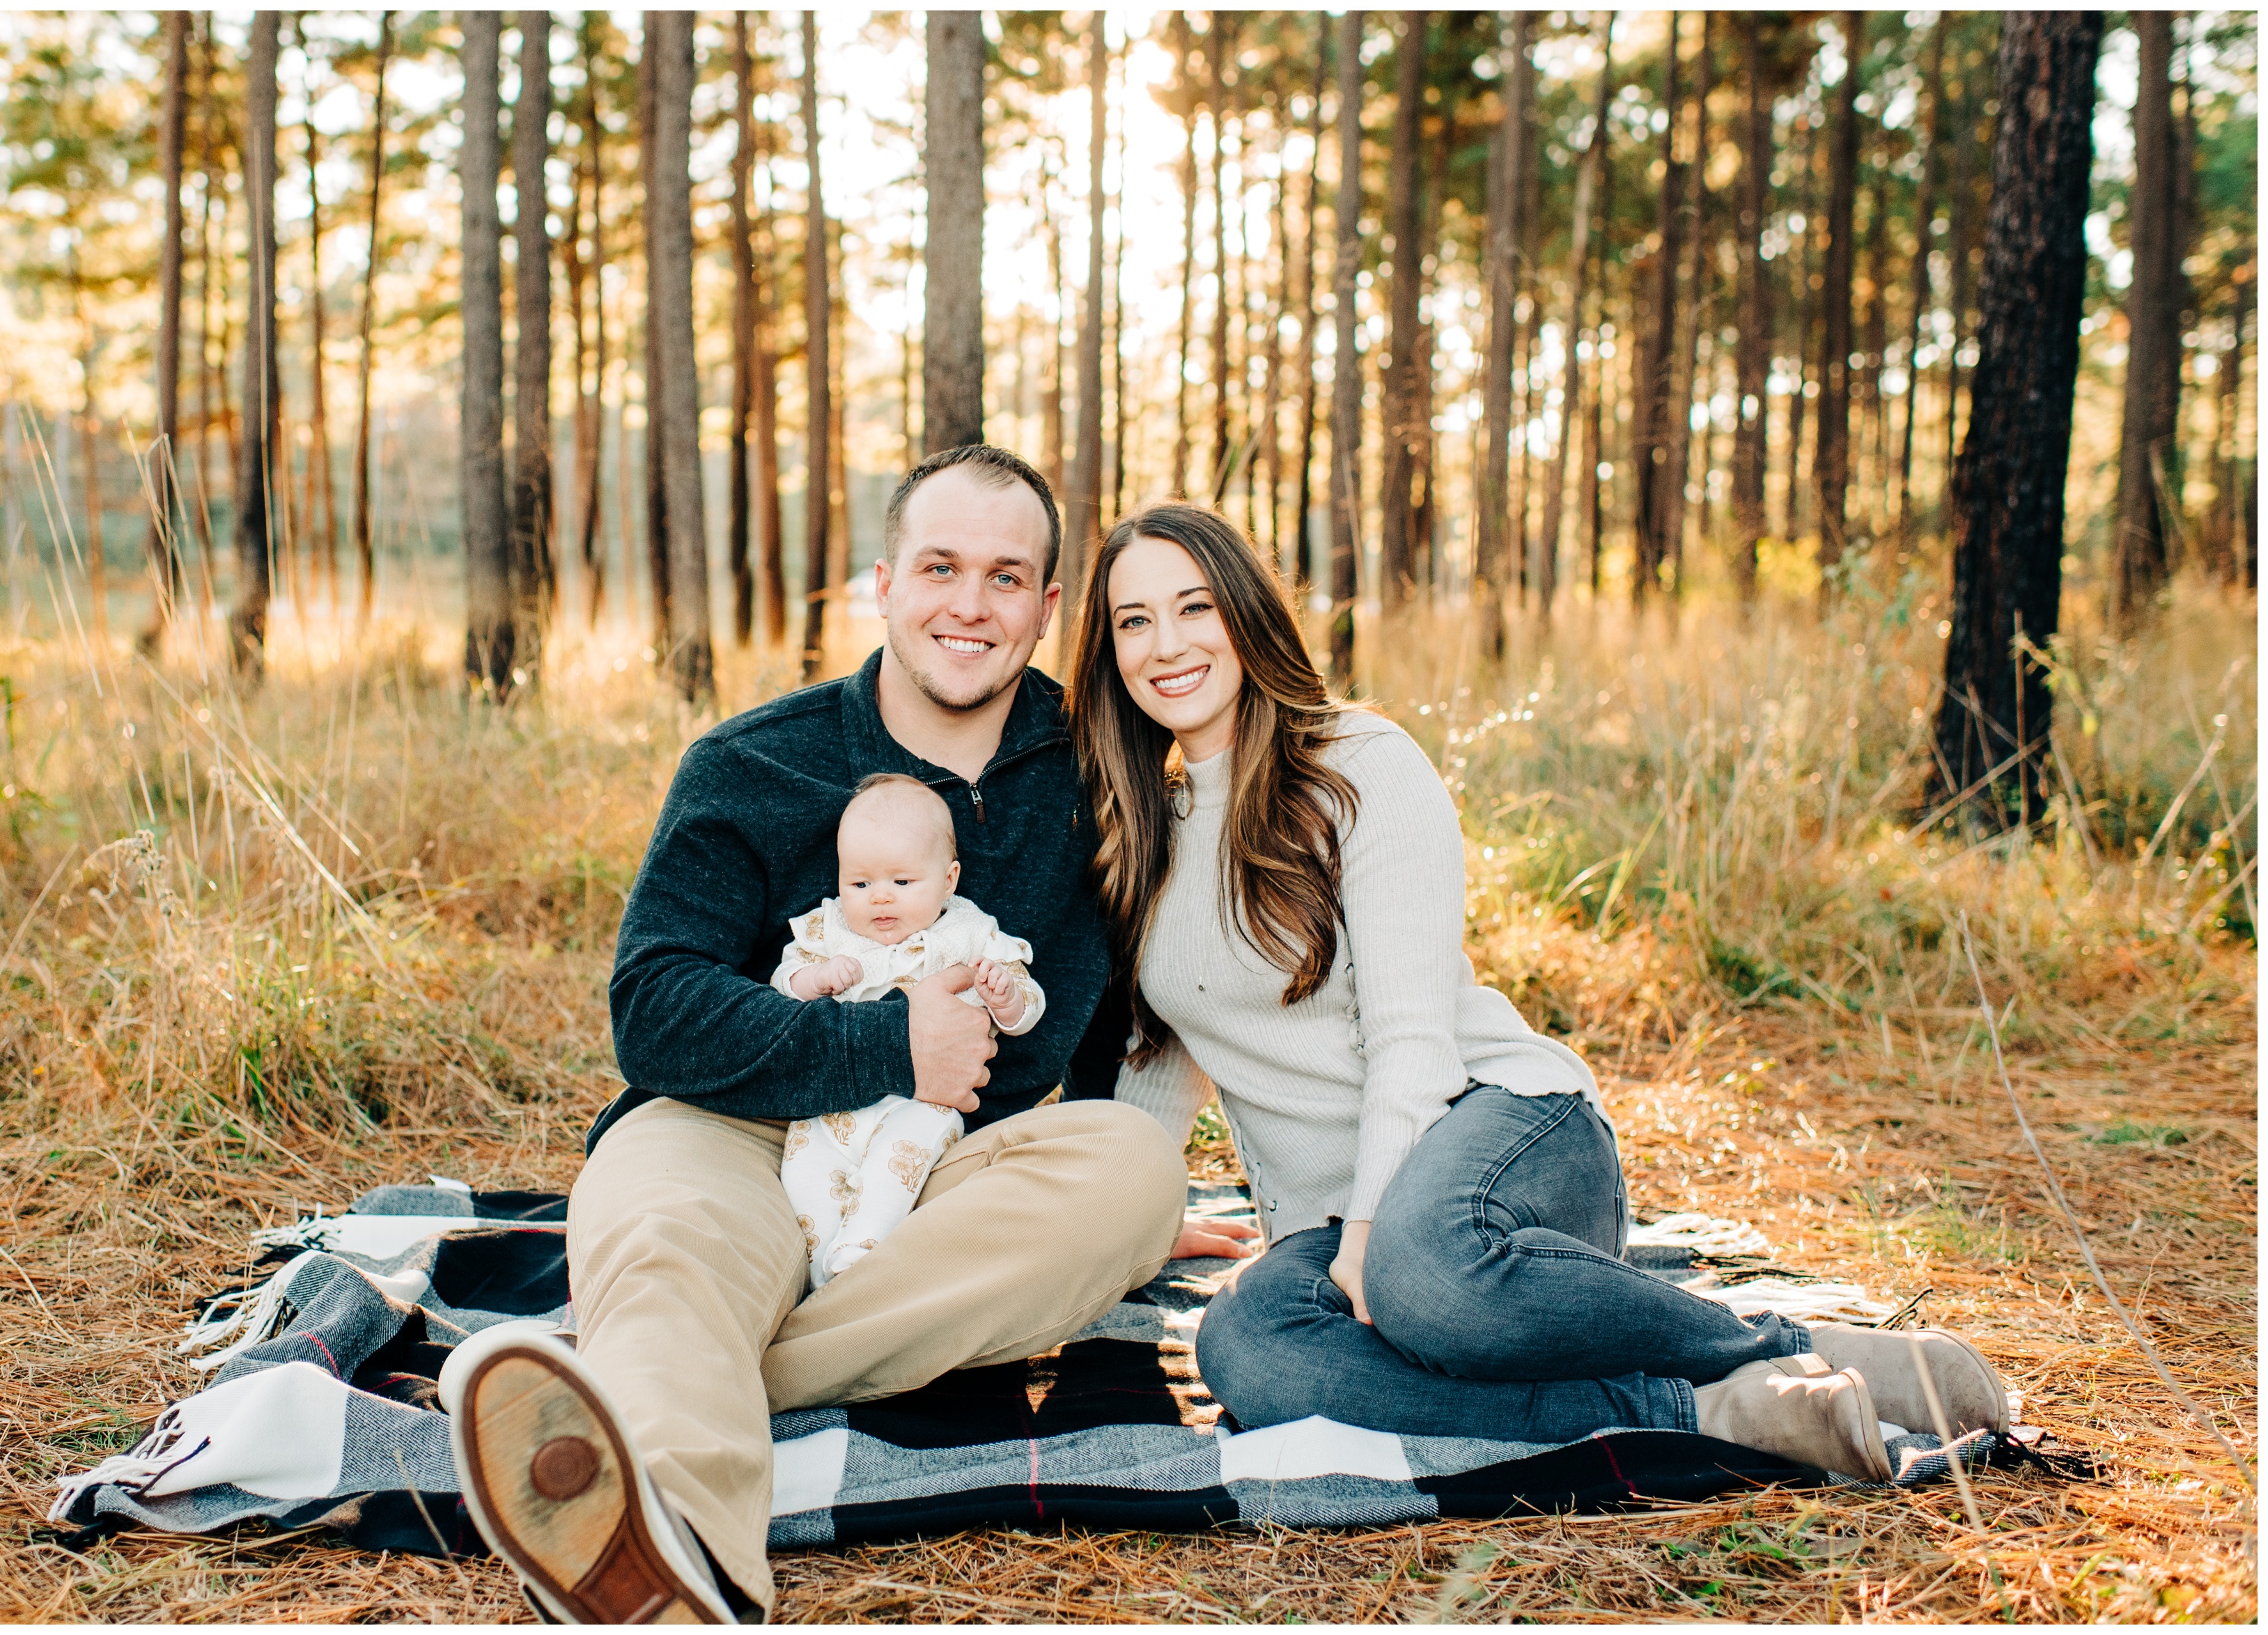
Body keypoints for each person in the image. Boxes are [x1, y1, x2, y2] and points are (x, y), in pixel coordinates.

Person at [1069, 502, 2011, 1483]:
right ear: (1108, 650)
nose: (1166, 643)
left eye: (1195, 606)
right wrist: (1124, 1216)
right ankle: (1705, 1410)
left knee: (1424, 1269)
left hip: (1500, 1134)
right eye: (1134, 620)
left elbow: (1413, 1041)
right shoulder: (1142, 831)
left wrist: (1367, 1236)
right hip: (1339, 1223)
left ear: (1248, 615)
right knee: (1246, 1345)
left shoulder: (1357, 763)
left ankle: (1775, 1345)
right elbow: (1158, 1067)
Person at [442, 447, 1188, 1625]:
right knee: (668, 1222)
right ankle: (671, 1559)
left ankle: (660, 1371)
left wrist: (1129, 1218)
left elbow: (1126, 1008)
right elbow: (654, 1007)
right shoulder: (752, 764)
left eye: (1006, 577)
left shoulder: (1107, 773)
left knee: (1136, 1172)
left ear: (1048, 609)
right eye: (940, 567)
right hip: (735, 1132)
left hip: (939, 1168)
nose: (969, 605)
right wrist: (889, 1046)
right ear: (883, 584)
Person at [772, 772, 1046, 1289]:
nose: (880, 898)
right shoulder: (829, 930)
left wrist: (1006, 998)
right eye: (860, 883)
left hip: (920, 1108)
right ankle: (824, 1281)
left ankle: (863, 1249)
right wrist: (814, 979)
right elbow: (783, 981)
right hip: (828, 1110)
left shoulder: (966, 933)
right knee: (805, 1179)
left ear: (949, 879)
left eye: (902, 882)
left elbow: (1029, 1003)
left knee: (896, 1170)